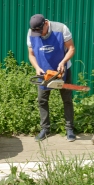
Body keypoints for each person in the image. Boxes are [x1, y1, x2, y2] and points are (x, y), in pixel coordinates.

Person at [27, 14, 76, 142]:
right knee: (42, 100)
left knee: (67, 100)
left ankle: (69, 129)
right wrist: (37, 67)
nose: (40, 35)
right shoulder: (31, 33)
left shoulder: (61, 28)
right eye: (36, 32)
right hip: (43, 72)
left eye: (40, 31)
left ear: (46, 24)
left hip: (62, 70)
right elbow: (31, 54)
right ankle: (45, 129)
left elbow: (71, 48)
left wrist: (63, 62)